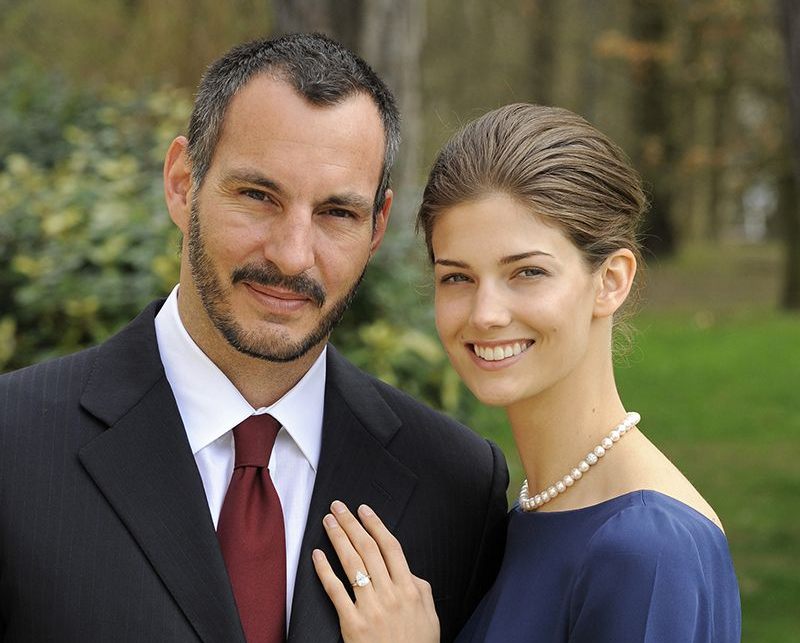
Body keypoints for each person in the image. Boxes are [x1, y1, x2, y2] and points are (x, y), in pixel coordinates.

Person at [0, 34, 509, 643]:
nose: (293, 256)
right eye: (258, 196)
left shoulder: (457, 487)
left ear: (377, 226)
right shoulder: (13, 444)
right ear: (182, 183)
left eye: (337, 213)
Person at [312, 103, 742, 643]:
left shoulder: (651, 550)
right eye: (457, 277)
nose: (486, 314)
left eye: (528, 272)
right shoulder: (531, 514)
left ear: (611, 280)